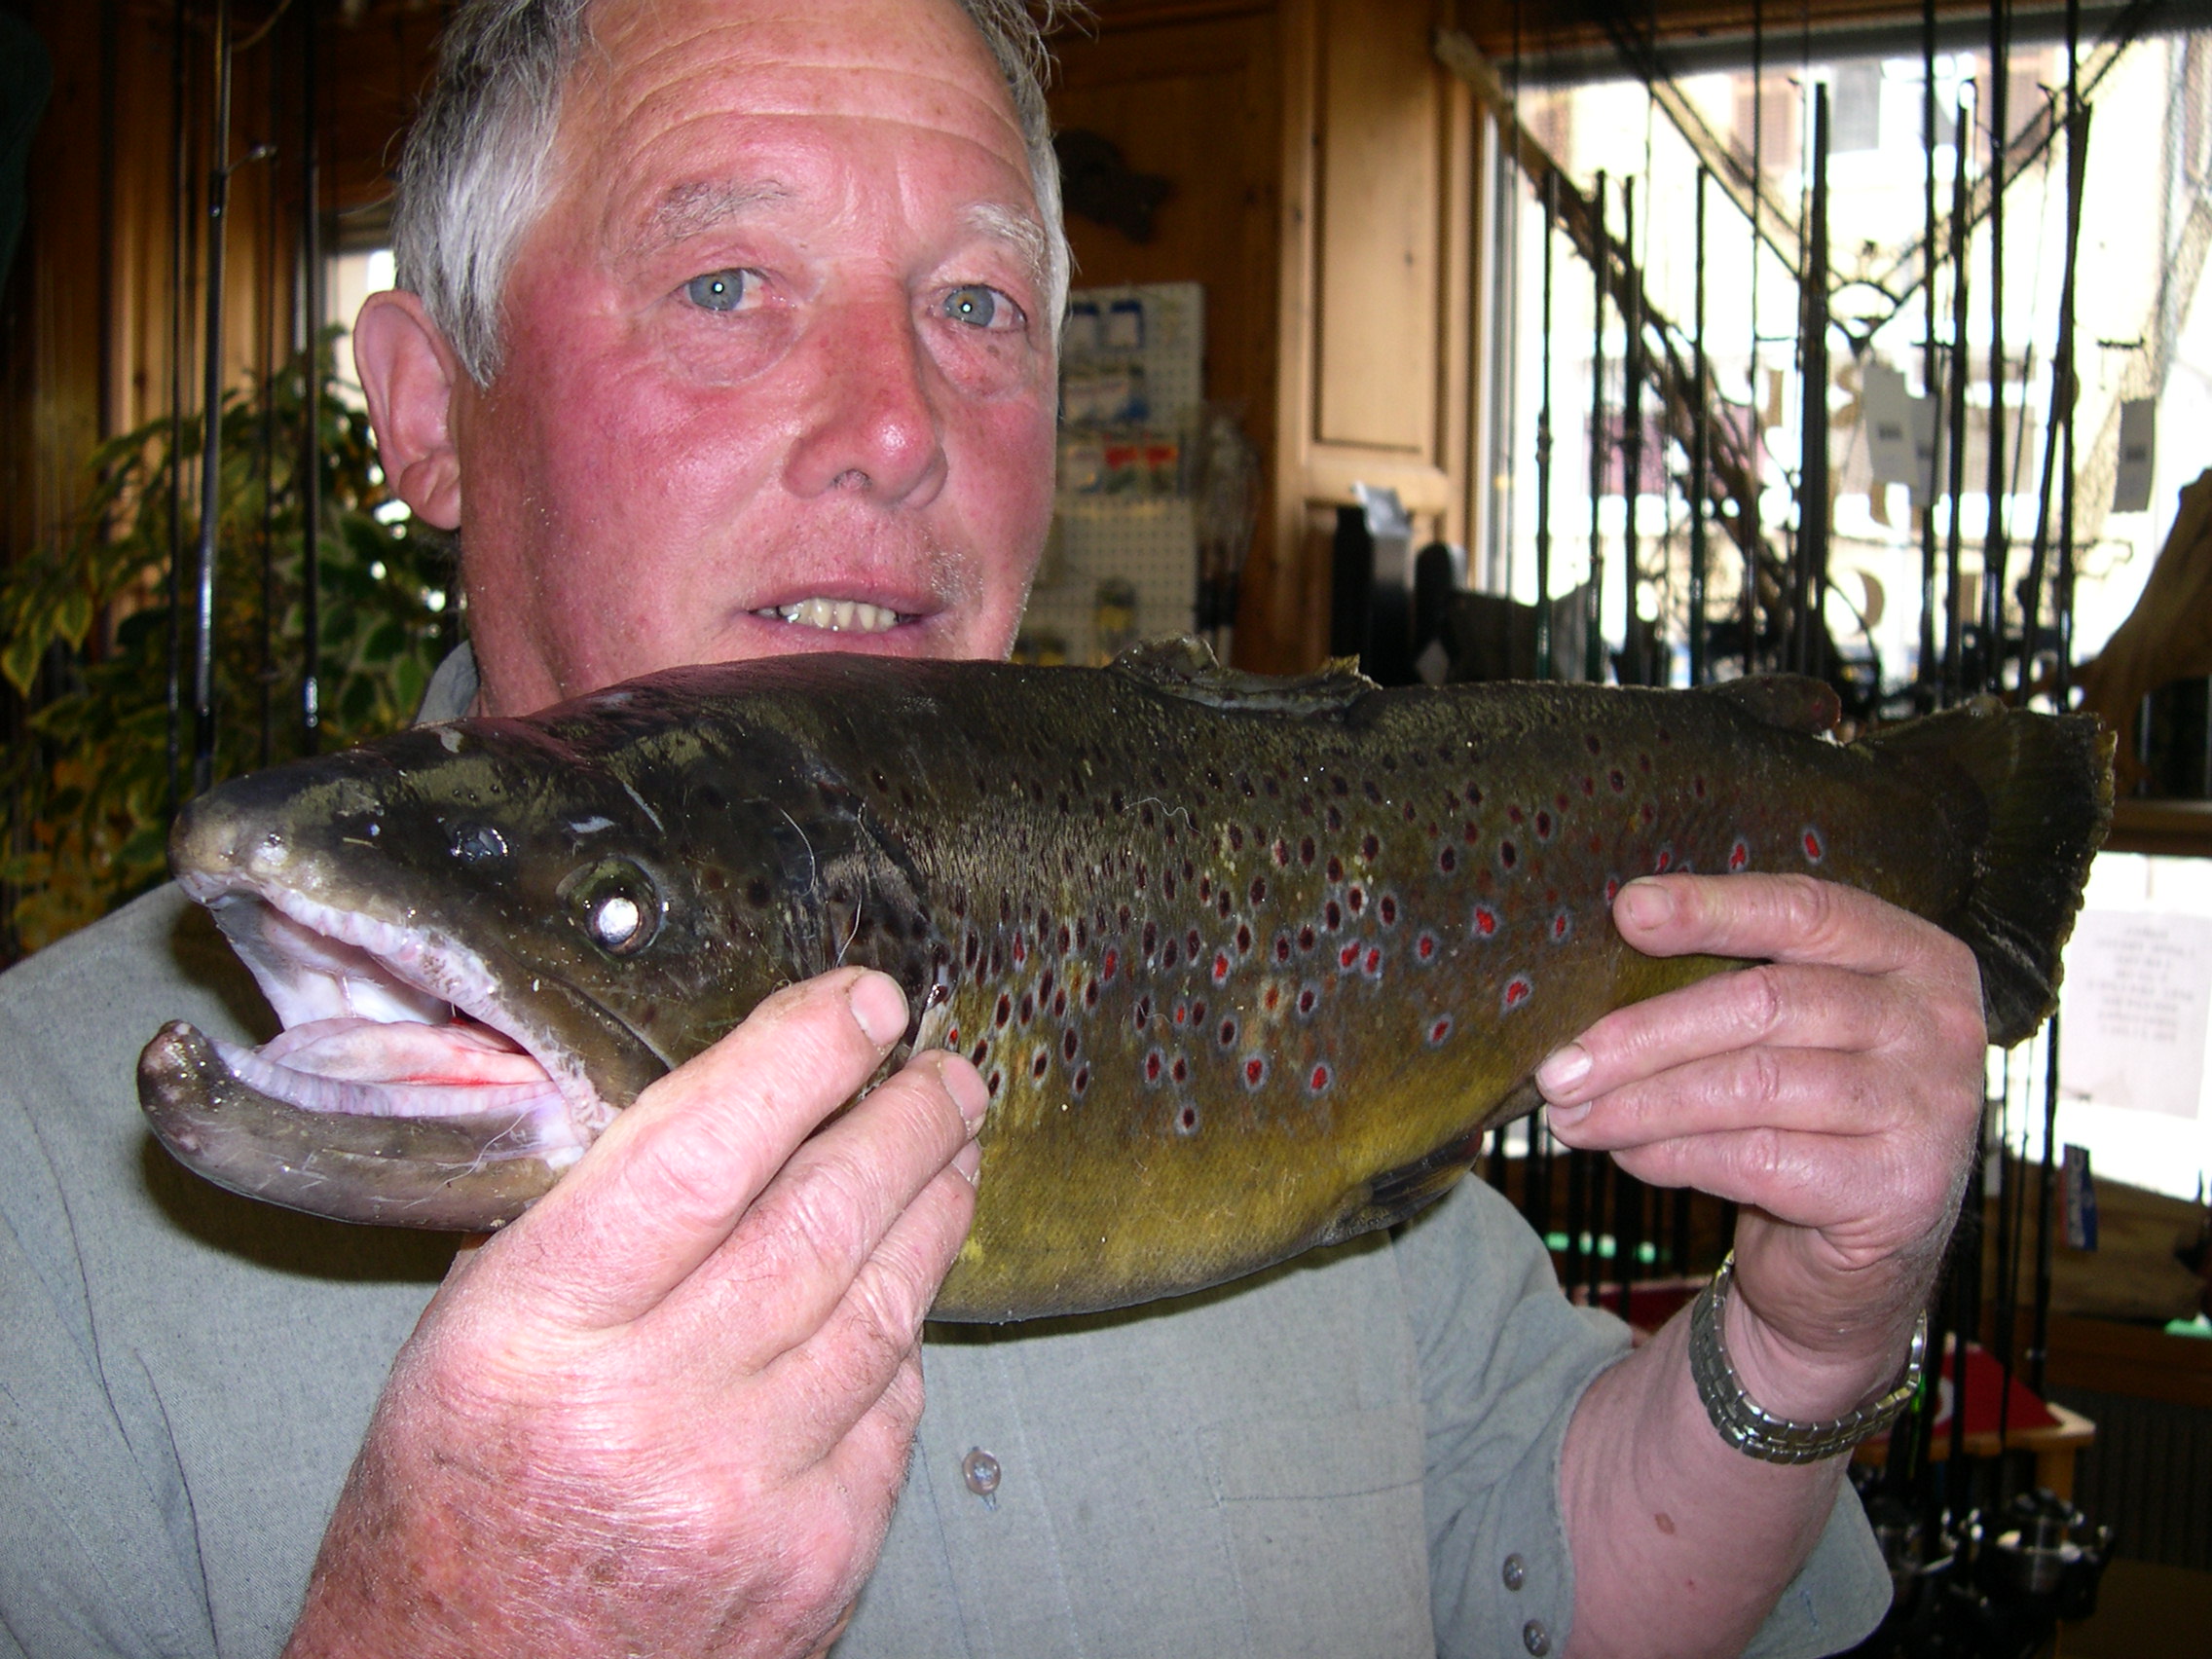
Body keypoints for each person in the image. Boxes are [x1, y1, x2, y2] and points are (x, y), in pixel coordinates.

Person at [0, 0, 1986, 1654]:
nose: (896, 426)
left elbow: (1549, 1574)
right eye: (723, 283)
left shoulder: (1259, 942)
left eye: (974, 304)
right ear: (431, 410)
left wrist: (1805, 1341)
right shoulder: (38, 1204)